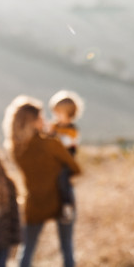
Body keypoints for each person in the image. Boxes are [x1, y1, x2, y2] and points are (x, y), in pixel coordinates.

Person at [3, 95, 81, 267]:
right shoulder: (50, 144)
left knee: (26, 249)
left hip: (34, 201)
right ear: (33, 120)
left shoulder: (15, 149)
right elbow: (75, 167)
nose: (46, 119)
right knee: (67, 247)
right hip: (61, 199)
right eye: (41, 116)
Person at [48, 90, 83, 223]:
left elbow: (67, 143)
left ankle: (67, 205)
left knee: (63, 180)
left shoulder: (72, 129)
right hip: (54, 162)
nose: (55, 116)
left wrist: (54, 136)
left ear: (69, 114)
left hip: (66, 162)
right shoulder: (54, 126)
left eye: (58, 113)